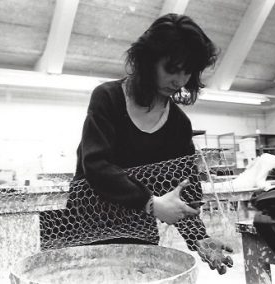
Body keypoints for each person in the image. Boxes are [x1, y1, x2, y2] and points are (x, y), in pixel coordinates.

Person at [40, 13, 233, 275]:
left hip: (138, 232)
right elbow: (96, 165)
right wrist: (151, 203)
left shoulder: (178, 125)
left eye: (187, 71)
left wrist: (199, 237)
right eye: (171, 69)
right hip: (86, 230)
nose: (180, 80)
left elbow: (184, 189)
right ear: (149, 61)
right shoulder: (107, 98)